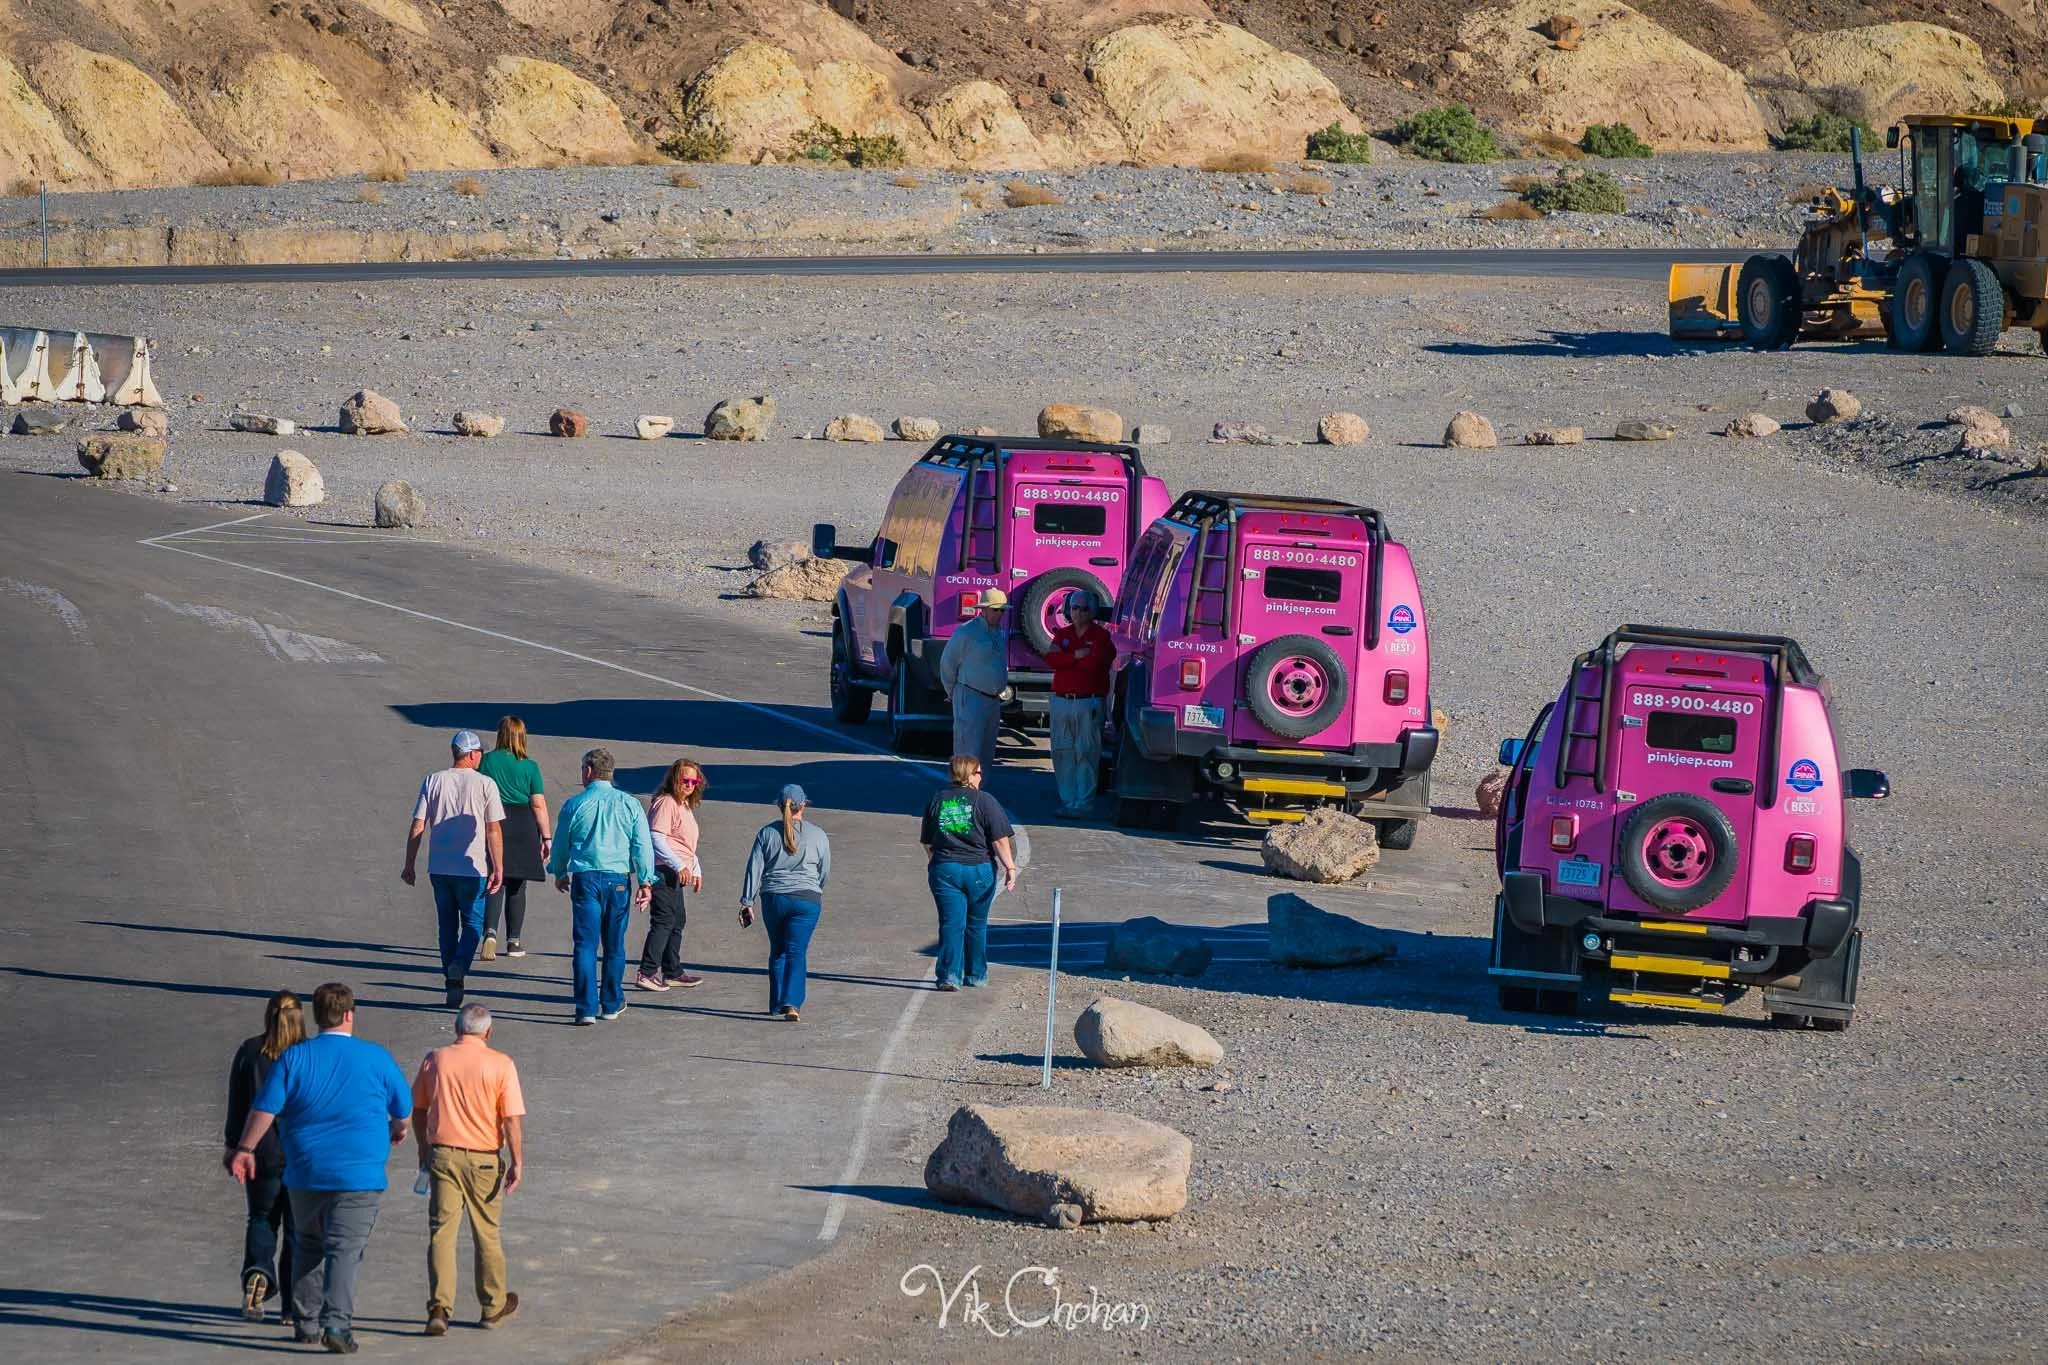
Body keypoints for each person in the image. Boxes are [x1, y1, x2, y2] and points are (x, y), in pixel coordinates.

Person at [229, 982, 412, 1355]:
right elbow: (403, 1109)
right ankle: (336, 1324)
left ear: (316, 1016)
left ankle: (306, 1322)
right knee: (344, 1250)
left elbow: (264, 1109)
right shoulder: (376, 1058)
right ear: (349, 1015)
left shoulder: (295, 1059)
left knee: (307, 1245)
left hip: (305, 1171)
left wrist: (245, 1148)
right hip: (359, 1175)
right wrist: (398, 1129)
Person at [410, 1004, 525, 1336]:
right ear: (487, 1032)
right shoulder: (501, 1064)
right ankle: (492, 1306)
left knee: (442, 1233)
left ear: (456, 1028)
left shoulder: (437, 1059)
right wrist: (517, 1161)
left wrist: (423, 1147)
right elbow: (511, 1120)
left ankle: (438, 1308)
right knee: (486, 1232)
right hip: (484, 1159)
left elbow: (418, 1108)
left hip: (443, 1155)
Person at [548, 747, 654, 1025]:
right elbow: (642, 845)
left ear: (588, 771)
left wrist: (559, 871)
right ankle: (610, 1002)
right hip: (618, 878)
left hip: (585, 879)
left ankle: (585, 1007)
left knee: (585, 944)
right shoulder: (629, 804)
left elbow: (561, 843)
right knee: (614, 943)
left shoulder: (575, 804)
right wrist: (645, 880)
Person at [403, 730, 506, 1009]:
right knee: (473, 923)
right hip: (472, 868)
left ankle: (452, 982)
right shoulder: (486, 784)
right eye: (480, 753)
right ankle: (460, 964)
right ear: (471, 754)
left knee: (446, 925)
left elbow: (418, 825)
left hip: (439, 867)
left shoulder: (433, 780)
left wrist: (409, 863)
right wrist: (499, 866)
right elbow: (493, 829)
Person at [223, 989, 305, 1324]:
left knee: (261, 1218)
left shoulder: (250, 1051)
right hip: (300, 1155)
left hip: (259, 1152)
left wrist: (235, 1146)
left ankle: (257, 1272)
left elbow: (237, 1103)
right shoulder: (307, 1054)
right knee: (298, 1231)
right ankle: (291, 1307)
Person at [920, 755, 1019, 991]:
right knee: (976, 923)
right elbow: (1000, 840)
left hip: (945, 867)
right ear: (970, 774)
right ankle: (976, 974)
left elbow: (927, 841)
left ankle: (948, 975)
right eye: (979, 772)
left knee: (951, 923)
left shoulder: (938, 800)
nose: (981, 777)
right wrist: (1010, 868)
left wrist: (936, 863)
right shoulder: (985, 801)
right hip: (979, 869)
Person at [738, 784, 830, 1021]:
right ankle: (792, 1003)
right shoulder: (818, 834)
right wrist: (815, 890)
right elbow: (824, 871)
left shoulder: (766, 833)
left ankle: (777, 1003)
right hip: (807, 899)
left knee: (777, 950)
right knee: (796, 951)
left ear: (780, 806)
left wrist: (748, 901)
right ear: (804, 805)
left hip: (774, 898)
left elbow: (754, 869)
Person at [478, 716, 551, 962]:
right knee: (517, 886)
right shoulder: (530, 766)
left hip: (494, 820)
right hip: (523, 823)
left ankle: (489, 932)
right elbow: (538, 804)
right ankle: (514, 940)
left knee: (494, 880)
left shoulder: (486, 761)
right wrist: (547, 837)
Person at [1040, 588, 1115, 819]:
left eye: (1084, 608)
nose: (1079, 613)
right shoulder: (1063, 634)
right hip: (1062, 700)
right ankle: (1068, 800)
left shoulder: (1101, 637)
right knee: (1063, 751)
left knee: (1086, 752)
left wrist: (1069, 658)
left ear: (1092, 611)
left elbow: (1094, 664)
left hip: (1088, 702)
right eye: (1075, 608)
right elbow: (1051, 659)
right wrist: (1075, 656)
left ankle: (1084, 802)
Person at [638, 758, 707, 993]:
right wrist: (679, 865)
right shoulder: (666, 802)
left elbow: (684, 844)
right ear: (674, 779)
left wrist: (694, 868)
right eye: (684, 780)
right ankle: (647, 972)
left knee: (678, 920)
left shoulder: (684, 805)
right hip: (663, 870)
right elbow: (656, 837)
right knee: (664, 920)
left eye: (693, 780)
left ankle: (672, 971)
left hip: (677, 872)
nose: (689, 784)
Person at [939, 588, 1009, 771]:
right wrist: (952, 692)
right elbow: (948, 663)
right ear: (983, 609)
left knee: (987, 753)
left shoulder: (1000, 634)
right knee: (967, 751)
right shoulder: (966, 632)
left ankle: (978, 794)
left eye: (1002, 610)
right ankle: (962, 794)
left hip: (993, 700)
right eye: (996, 610)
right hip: (970, 696)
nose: (1000, 614)